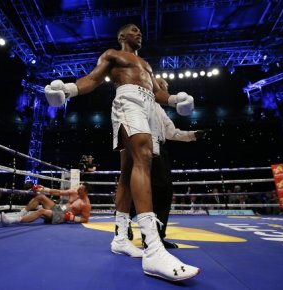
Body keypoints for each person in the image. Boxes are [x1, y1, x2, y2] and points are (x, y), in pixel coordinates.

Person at [44, 23, 199, 281]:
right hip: (129, 101)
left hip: (149, 106)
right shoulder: (113, 54)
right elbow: (93, 79)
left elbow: (157, 93)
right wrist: (68, 90)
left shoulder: (147, 65)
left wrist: (175, 100)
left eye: (141, 32)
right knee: (144, 158)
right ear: (122, 36)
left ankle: (120, 238)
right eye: (134, 31)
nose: (140, 34)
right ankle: (153, 248)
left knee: (127, 173)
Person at [129, 77, 207, 248]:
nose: (166, 90)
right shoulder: (139, 101)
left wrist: (193, 135)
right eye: (163, 87)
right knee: (160, 191)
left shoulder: (160, 110)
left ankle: (149, 233)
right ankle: (131, 221)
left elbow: (172, 132)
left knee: (159, 193)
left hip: (160, 151)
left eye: (165, 87)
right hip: (145, 149)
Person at [1, 183, 91, 225]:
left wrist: (72, 218)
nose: (78, 189)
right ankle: (21, 213)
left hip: (62, 216)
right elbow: (57, 192)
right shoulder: (74, 192)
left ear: (85, 191)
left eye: (81, 188)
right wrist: (44, 189)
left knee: (41, 211)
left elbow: (85, 219)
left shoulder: (85, 204)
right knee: (40, 196)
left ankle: (12, 220)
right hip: (58, 209)